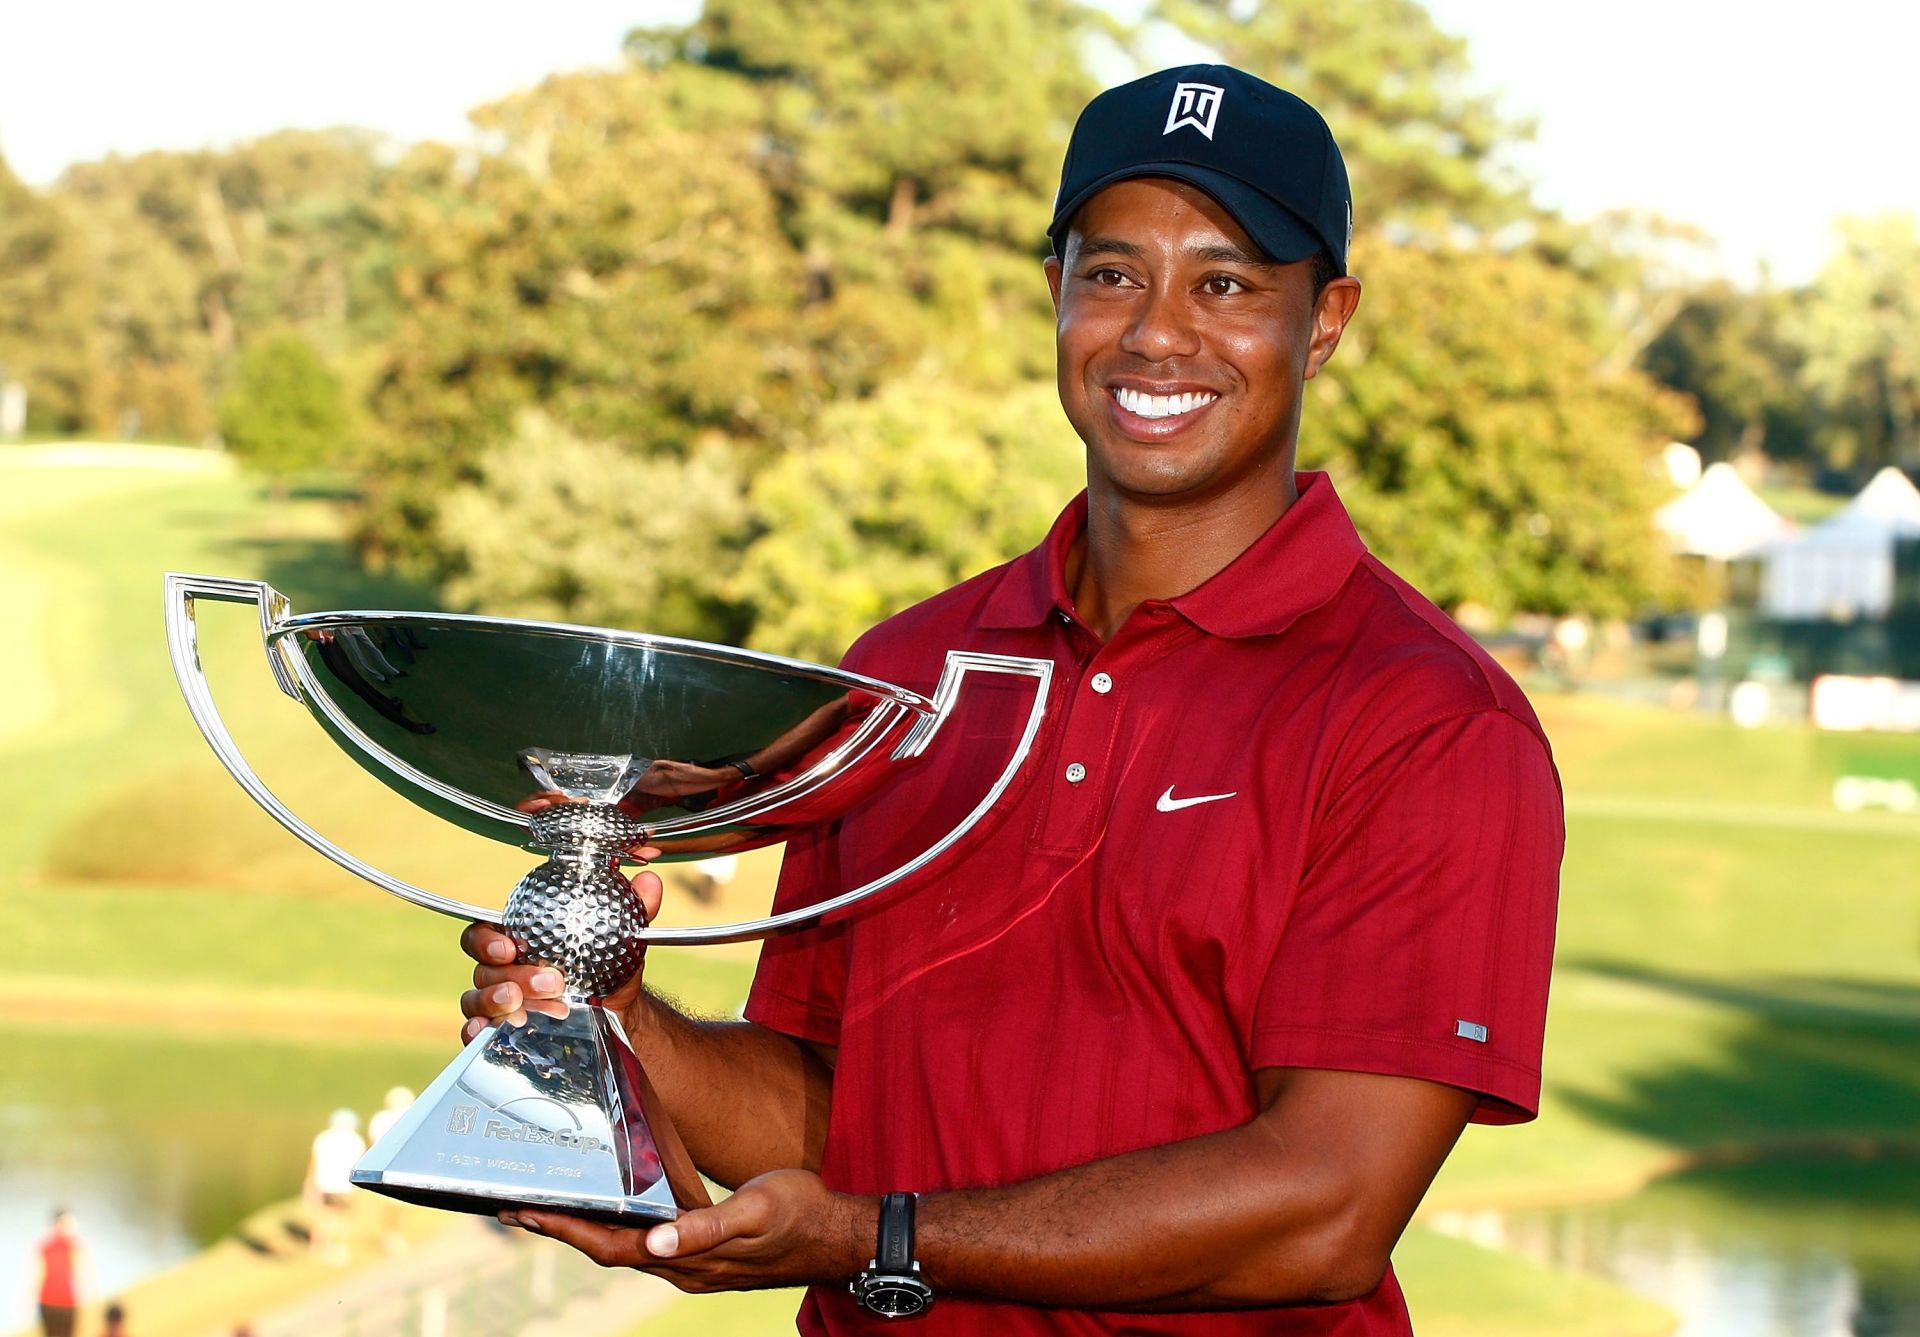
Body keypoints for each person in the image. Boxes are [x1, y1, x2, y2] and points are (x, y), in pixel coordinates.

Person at [459, 63, 1562, 1334]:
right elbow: (832, 1105)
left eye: (1227, 282)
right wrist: (615, 1013)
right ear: (1057, 295)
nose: (1158, 332)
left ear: (1323, 321)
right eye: (1111, 274)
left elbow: (1326, 1205)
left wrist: (879, 1239)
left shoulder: (1425, 720)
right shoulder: (905, 675)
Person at [303, 1108, 366, 1263]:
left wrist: (309, 1180)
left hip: (323, 1182)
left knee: (324, 1216)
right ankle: (339, 1247)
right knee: (343, 1217)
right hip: (345, 1186)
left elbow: (314, 1161)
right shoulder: (356, 1140)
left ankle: (320, 1247)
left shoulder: (323, 1138)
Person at [32, 1209, 87, 1337]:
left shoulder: (71, 1244)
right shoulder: (48, 1245)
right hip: (51, 1300)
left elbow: (79, 1273)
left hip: (63, 1300)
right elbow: (39, 1274)